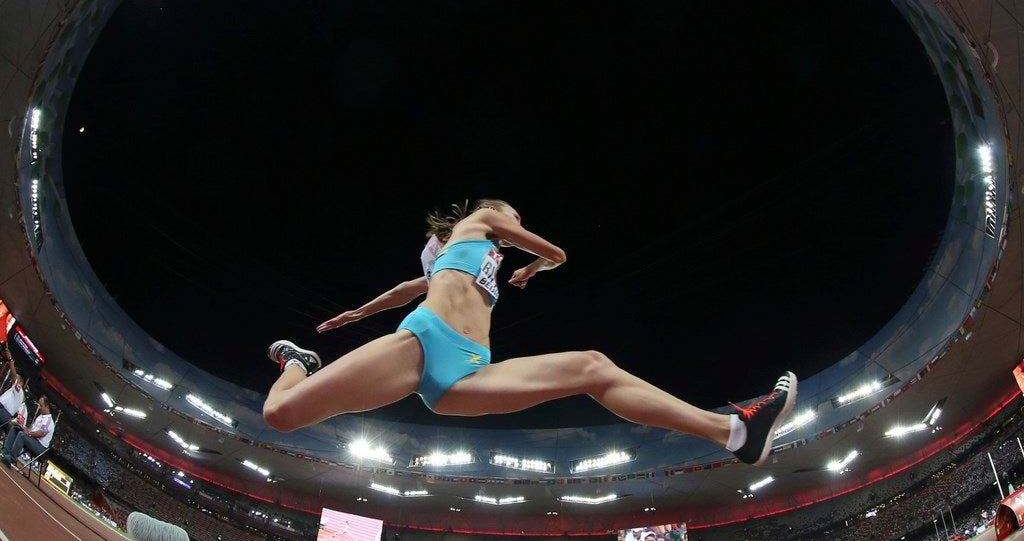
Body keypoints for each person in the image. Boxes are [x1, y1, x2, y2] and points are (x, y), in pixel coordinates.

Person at [263, 199, 796, 466]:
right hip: (422, 343)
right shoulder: (479, 225)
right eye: (510, 217)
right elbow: (556, 254)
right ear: (491, 213)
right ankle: (299, 363)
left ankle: (734, 435)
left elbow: (412, 283)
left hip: (470, 369)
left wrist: (520, 270)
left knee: (593, 365)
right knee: (282, 415)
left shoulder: (475, 260)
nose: (513, 226)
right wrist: (357, 315)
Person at [1, 394, 53, 467]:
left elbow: (41, 433)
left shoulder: (49, 421)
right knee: (16, 428)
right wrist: (25, 428)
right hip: (33, 439)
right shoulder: (40, 417)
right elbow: (32, 428)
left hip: (39, 446)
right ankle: (5, 452)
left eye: (41, 406)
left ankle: (12, 458)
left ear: (47, 407)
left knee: (22, 435)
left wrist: (29, 433)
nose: (39, 408)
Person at [0, 350, 25, 431]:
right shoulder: (13, 391)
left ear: (21, 382)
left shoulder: (19, 392)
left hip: (3, 412)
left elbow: (14, 377)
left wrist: (10, 359)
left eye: (17, 378)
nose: (13, 380)